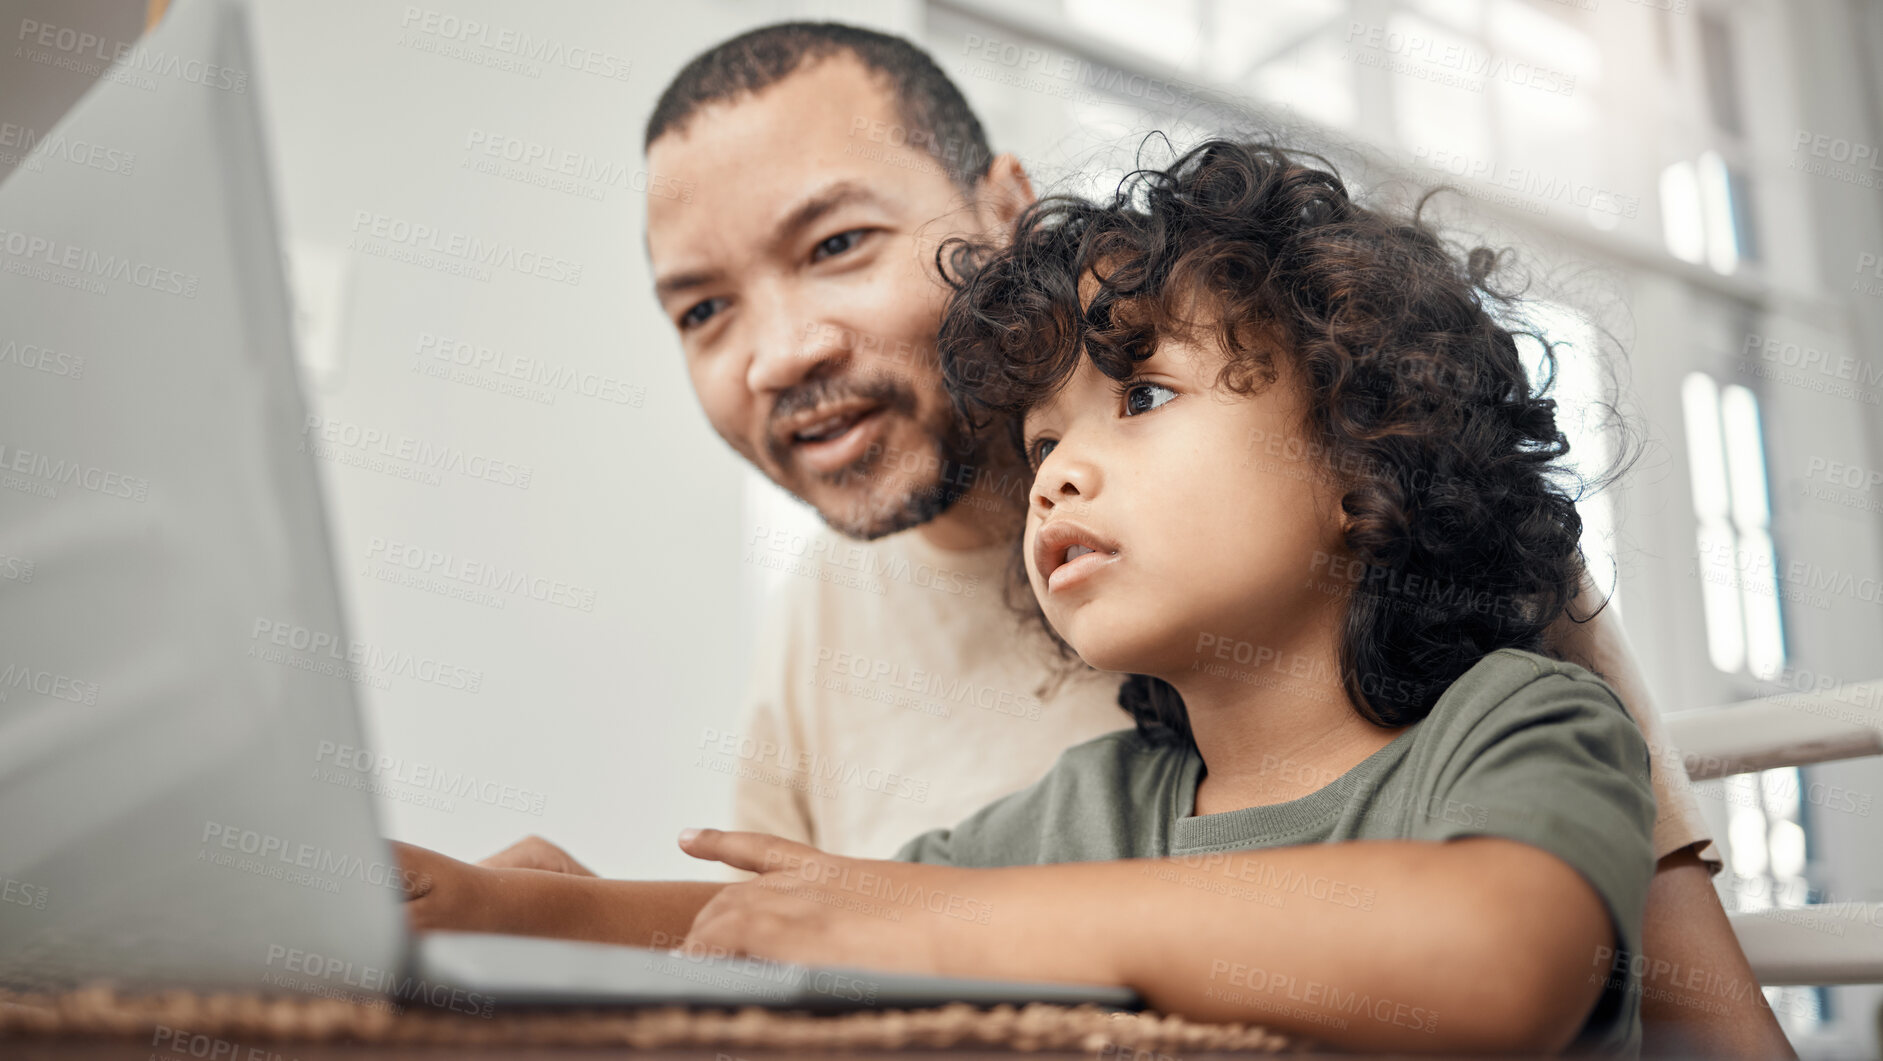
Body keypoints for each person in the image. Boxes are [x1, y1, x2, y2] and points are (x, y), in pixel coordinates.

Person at [423, 22, 1790, 1059]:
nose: (1062, 473)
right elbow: (805, 911)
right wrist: (513, 906)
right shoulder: (1109, 797)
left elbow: (1503, 958)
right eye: (701, 310)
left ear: (1364, 459)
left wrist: (962, 929)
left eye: (836, 241)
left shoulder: (1508, 709)